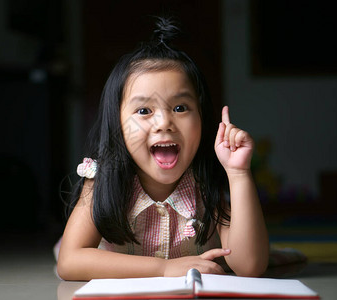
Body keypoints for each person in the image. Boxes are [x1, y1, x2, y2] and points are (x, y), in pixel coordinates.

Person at [57, 17, 269, 281]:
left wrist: (238, 173)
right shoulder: (103, 178)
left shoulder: (207, 180)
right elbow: (69, 261)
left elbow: (250, 267)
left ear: (202, 117)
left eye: (180, 108)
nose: (164, 123)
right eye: (144, 110)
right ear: (117, 125)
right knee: (64, 246)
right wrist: (164, 269)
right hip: (112, 262)